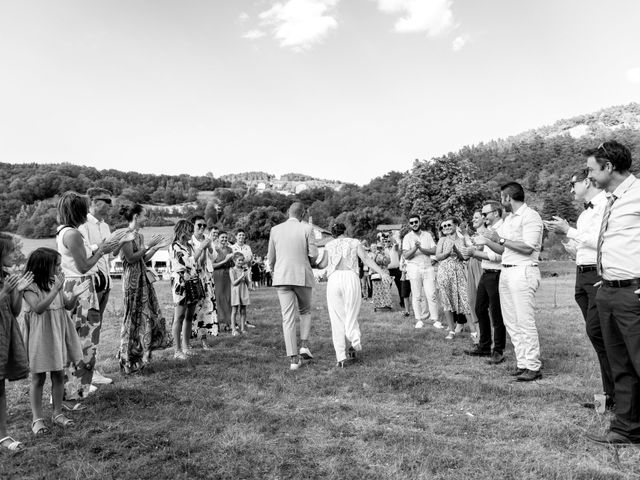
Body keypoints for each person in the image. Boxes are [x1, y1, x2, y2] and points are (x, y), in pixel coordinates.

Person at [582, 141, 640, 445]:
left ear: (608, 167)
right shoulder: (611, 199)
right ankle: (628, 429)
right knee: (621, 364)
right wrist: (606, 280)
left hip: (633, 293)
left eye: (592, 169)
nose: (589, 175)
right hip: (609, 291)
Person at [545, 168, 614, 411]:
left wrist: (569, 230)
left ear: (587, 181)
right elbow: (581, 249)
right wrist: (566, 238)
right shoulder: (584, 215)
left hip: (597, 274)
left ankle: (617, 395)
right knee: (598, 337)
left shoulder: (606, 204)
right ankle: (609, 395)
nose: (570, 189)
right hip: (582, 275)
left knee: (600, 334)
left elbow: (602, 241)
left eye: (572, 184)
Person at [479, 182, 544, 382]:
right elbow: (502, 249)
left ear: (508, 198)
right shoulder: (508, 221)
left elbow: (528, 248)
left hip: (523, 271)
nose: (501, 201)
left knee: (525, 321)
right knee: (511, 321)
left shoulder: (530, 216)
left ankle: (533, 366)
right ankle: (522, 363)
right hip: (506, 272)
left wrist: (499, 240)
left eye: (502, 197)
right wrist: (488, 240)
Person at [56, 191, 114, 407]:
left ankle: (76, 389)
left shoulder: (66, 231)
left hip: (78, 286)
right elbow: (83, 266)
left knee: (80, 340)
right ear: (78, 210)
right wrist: (102, 252)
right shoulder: (72, 234)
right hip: (80, 287)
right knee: (83, 341)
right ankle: (72, 393)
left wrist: (99, 249)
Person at [22, 248, 88, 433]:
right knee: (38, 377)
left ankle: (57, 413)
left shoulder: (54, 282)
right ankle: (37, 419)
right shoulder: (29, 287)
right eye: (56, 264)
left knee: (59, 374)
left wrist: (74, 294)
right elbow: (38, 308)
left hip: (57, 331)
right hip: (40, 335)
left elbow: (67, 305)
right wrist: (56, 289)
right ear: (44, 266)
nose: (60, 268)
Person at [317, 223, 392, 367]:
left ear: (332, 234)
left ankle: (341, 357)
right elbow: (366, 259)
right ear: (345, 231)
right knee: (351, 312)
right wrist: (381, 272)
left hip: (334, 279)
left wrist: (311, 261)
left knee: (337, 318)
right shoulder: (355, 242)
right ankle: (354, 340)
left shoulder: (329, 245)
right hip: (350, 277)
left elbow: (322, 265)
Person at [118, 204, 170, 372]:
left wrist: (155, 247)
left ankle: (141, 356)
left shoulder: (139, 236)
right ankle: (127, 361)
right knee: (132, 319)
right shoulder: (126, 234)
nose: (146, 218)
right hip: (131, 282)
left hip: (142, 279)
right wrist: (149, 245)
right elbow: (131, 258)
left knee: (145, 317)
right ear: (136, 217)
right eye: (144, 215)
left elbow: (143, 259)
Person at [267, 202, 318, 370]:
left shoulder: (275, 230)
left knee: (287, 318)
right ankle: (303, 344)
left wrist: (276, 271)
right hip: (302, 275)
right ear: (302, 214)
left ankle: (293, 360)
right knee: (305, 311)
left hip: (282, 277)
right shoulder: (307, 229)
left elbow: (271, 258)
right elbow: (313, 255)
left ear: (288, 212)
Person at [462, 201, 506, 364]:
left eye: (485, 213)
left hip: (497, 273)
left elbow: (500, 256)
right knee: (479, 308)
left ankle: (498, 350)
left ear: (495, 213)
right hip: (486, 273)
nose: (483, 216)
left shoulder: (502, 230)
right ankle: (484, 345)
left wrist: (475, 254)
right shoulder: (489, 230)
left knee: (496, 314)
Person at [78, 187, 114, 386]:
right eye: (105, 201)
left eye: (110, 202)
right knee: (86, 329)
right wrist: (100, 248)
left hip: (105, 282)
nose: (109, 205)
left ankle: (92, 368)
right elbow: (83, 254)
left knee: (96, 328)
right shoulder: (82, 225)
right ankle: (83, 374)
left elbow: (108, 255)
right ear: (92, 201)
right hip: (90, 282)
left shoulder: (106, 226)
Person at [0, 234, 32, 453]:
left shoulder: (6, 276)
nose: (15, 255)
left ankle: (2, 436)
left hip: (4, 334)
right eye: (11, 251)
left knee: (0, 387)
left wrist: (17, 291)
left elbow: (16, 310)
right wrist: (3, 292)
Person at [170, 219, 211, 358]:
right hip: (181, 284)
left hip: (193, 282)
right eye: (189, 230)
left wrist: (203, 250)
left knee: (189, 316)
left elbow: (198, 262)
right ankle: (177, 350)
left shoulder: (190, 246)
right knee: (179, 316)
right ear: (183, 231)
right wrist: (201, 248)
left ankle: (186, 346)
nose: (191, 233)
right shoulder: (175, 247)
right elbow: (188, 262)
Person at [402, 213, 442, 329]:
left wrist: (422, 249)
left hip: (428, 267)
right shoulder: (407, 237)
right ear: (409, 224)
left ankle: (435, 319)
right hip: (414, 268)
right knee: (417, 295)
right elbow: (406, 256)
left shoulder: (427, 235)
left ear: (420, 222)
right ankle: (419, 319)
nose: (414, 224)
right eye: (412, 223)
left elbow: (434, 250)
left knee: (432, 294)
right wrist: (415, 248)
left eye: (416, 222)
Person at [435, 217, 472, 340]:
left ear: (456, 225)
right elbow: (438, 256)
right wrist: (447, 252)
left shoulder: (462, 239)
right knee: (447, 301)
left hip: (459, 270)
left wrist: (457, 251)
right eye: (444, 226)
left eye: (448, 225)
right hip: (444, 271)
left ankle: (473, 330)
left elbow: (466, 257)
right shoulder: (442, 240)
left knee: (464, 299)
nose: (446, 228)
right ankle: (451, 330)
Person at [190, 216, 218, 345]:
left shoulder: (207, 239)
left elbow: (213, 257)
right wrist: (202, 247)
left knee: (206, 308)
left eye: (204, 226)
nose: (202, 228)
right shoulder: (189, 241)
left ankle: (204, 338)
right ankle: (188, 338)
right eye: (199, 225)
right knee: (193, 309)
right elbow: (194, 261)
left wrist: (209, 247)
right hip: (194, 277)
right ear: (193, 226)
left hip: (206, 277)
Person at [231, 229, 256, 328]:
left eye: (243, 235)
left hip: (245, 272)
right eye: (239, 235)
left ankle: (244, 322)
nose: (241, 237)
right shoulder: (232, 247)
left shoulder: (247, 247)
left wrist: (249, 276)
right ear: (236, 236)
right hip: (236, 274)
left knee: (244, 298)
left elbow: (250, 262)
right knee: (235, 300)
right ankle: (234, 324)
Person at [212, 231, 234, 331]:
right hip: (218, 275)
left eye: (226, 237)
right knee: (219, 298)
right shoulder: (214, 249)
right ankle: (220, 322)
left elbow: (232, 264)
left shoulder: (230, 249)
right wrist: (225, 261)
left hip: (228, 275)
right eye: (222, 237)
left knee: (228, 298)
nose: (224, 239)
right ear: (218, 239)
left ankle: (228, 322)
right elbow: (212, 265)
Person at [229, 252, 251, 335]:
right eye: (239, 260)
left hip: (243, 290)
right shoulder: (232, 270)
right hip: (236, 291)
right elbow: (234, 283)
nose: (241, 262)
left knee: (243, 310)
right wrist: (241, 276)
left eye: (242, 260)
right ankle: (233, 329)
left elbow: (247, 281)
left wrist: (247, 277)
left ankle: (242, 328)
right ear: (234, 260)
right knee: (234, 310)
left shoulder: (244, 270)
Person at [385, 235, 405, 312]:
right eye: (387, 241)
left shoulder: (395, 247)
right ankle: (387, 303)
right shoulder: (385, 249)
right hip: (388, 271)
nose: (388, 243)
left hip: (396, 270)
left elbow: (396, 244)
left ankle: (402, 302)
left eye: (389, 241)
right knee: (387, 287)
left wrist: (390, 237)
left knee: (400, 287)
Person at [371, 243, 392, 311]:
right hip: (376, 273)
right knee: (377, 290)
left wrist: (383, 255)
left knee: (386, 289)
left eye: (381, 247)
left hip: (385, 273)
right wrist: (377, 254)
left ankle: (387, 305)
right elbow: (372, 262)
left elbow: (388, 261)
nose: (379, 249)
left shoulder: (386, 254)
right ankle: (377, 305)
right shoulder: (374, 254)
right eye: (378, 247)